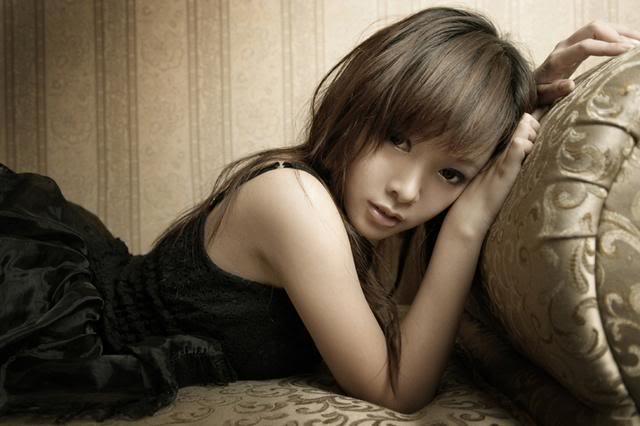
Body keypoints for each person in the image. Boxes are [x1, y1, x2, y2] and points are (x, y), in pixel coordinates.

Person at [0, 6, 638, 422]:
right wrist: (469, 216)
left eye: (450, 174)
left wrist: (512, 98)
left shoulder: (379, 219)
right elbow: (396, 391)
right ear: (358, 101)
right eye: (396, 139)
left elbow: (408, 314)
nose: (405, 191)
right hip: (47, 311)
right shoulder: (293, 202)